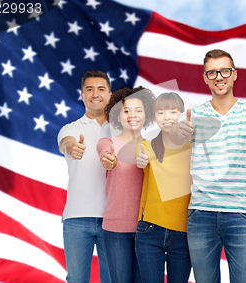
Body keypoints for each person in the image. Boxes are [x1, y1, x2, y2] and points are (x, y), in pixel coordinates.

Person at [169, 49, 246, 283]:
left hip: (241, 213)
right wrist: (179, 132)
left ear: (234, 74)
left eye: (224, 71)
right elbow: (174, 137)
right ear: (205, 78)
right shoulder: (192, 115)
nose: (219, 77)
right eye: (212, 72)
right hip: (201, 214)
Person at [57, 70, 112, 283]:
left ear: (109, 94)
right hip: (77, 218)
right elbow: (66, 142)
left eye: (100, 89)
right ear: (82, 95)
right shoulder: (70, 128)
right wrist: (72, 148)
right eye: (89, 89)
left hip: (113, 220)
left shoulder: (120, 130)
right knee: (77, 280)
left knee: (114, 279)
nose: (95, 94)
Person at [96, 86, 155, 282]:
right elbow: (105, 154)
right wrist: (109, 160)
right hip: (115, 230)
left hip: (146, 230)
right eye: (126, 110)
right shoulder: (108, 143)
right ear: (117, 115)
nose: (132, 115)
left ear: (146, 114)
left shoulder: (153, 147)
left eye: (138, 110)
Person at [134, 92, 192, 283]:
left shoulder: (194, 148)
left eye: (173, 111)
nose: (167, 117)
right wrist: (141, 159)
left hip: (184, 233)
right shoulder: (146, 146)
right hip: (150, 230)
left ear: (182, 114)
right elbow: (140, 158)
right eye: (161, 112)